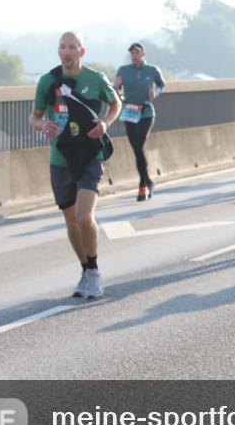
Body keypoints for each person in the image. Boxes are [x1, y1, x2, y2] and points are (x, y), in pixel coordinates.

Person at [30, 32, 121, 298]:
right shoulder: (48, 81)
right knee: (71, 222)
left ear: (82, 52)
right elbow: (34, 117)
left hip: (90, 154)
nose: (66, 52)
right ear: (58, 51)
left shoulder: (96, 79)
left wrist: (105, 123)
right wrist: (43, 124)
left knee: (84, 216)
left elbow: (116, 103)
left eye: (72, 47)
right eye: (62, 47)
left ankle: (94, 271)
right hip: (61, 158)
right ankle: (85, 270)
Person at [114, 43, 165, 201]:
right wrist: (116, 88)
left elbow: (161, 84)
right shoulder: (123, 70)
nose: (134, 55)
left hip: (146, 112)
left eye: (137, 52)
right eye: (132, 53)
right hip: (129, 112)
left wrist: (155, 92)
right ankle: (148, 181)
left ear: (143, 53)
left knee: (139, 143)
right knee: (136, 148)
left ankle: (142, 185)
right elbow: (116, 87)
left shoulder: (152, 70)